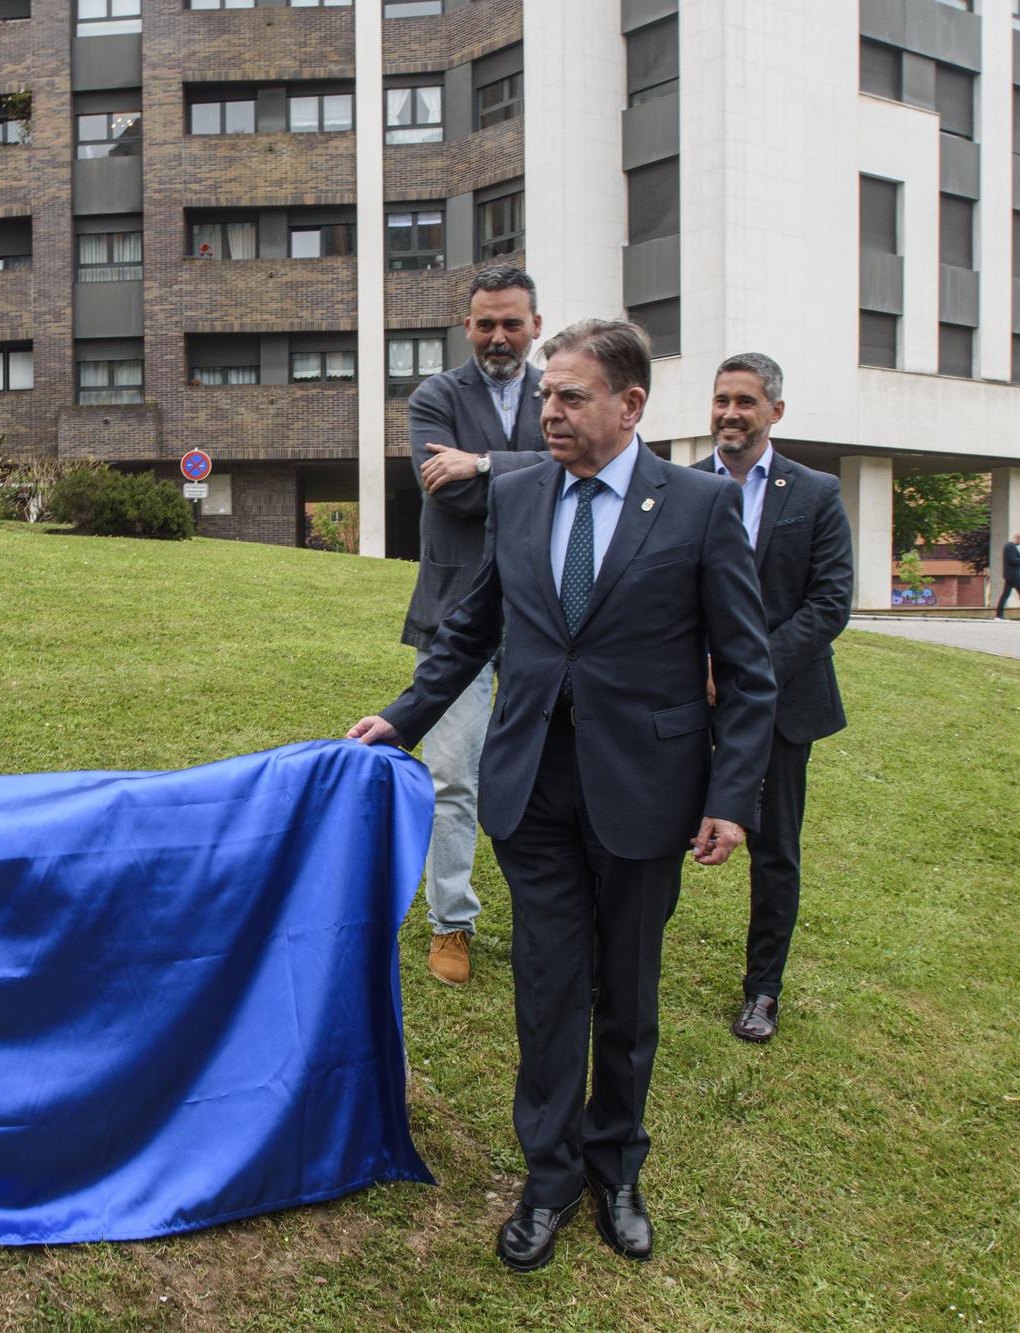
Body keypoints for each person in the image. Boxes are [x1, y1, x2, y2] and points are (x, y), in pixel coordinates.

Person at [348, 319, 776, 1272]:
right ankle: (548, 1179)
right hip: (531, 784)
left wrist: (732, 794)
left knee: (625, 993)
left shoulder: (701, 507)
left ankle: (616, 1168)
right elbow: (474, 626)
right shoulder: (522, 490)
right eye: (546, 394)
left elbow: (748, 672)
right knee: (546, 993)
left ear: (629, 406)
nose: (548, 410)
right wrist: (402, 718)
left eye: (571, 396)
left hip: (647, 792)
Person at [691, 354, 853, 1042]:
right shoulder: (680, 485)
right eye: (722, 399)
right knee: (651, 830)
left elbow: (828, 604)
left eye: (746, 402)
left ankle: (763, 989)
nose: (731, 412)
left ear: (774, 413)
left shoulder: (815, 493)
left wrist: (744, 669)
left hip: (782, 703)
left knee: (775, 849)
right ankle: (622, 964)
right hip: (685, 699)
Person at [400, 265, 550, 985]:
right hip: (455, 617)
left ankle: (546, 918)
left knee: (538, 778)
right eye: (485, 322)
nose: (498, 336)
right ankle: (450, 921)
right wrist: (532, 473)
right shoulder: (435, 396)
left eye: (511, 322)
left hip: (544, 617)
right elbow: (450, 498)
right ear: (467, 326)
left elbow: (577, 473)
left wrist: (484, 462)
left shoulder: (560, 390)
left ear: (535, 326)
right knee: (453, 774)